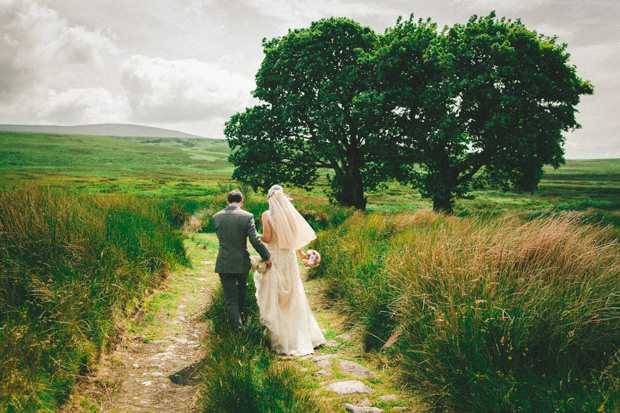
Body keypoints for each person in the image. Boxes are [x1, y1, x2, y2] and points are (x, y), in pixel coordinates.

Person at [254, 185, 326, 355]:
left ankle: (276, 336)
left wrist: (253, 234)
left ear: (270, 199)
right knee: (293, 294)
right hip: (289, 259)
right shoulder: (291, 216)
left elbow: (267, 238)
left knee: (274, 293)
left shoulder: (267, 215)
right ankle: (300, 335)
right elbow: (293, 240)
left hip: (275, 258)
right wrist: (301, 254)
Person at [213, 190, 272, 331]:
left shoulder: (216, 217)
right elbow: (255, 240)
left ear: (227, 201)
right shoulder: (247, 217)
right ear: (242, 201)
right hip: (241, 262)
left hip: (224, 262)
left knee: (230, 299)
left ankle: (237, 327)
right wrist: (266, 257)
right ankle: (241, 319)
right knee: (242, 287)